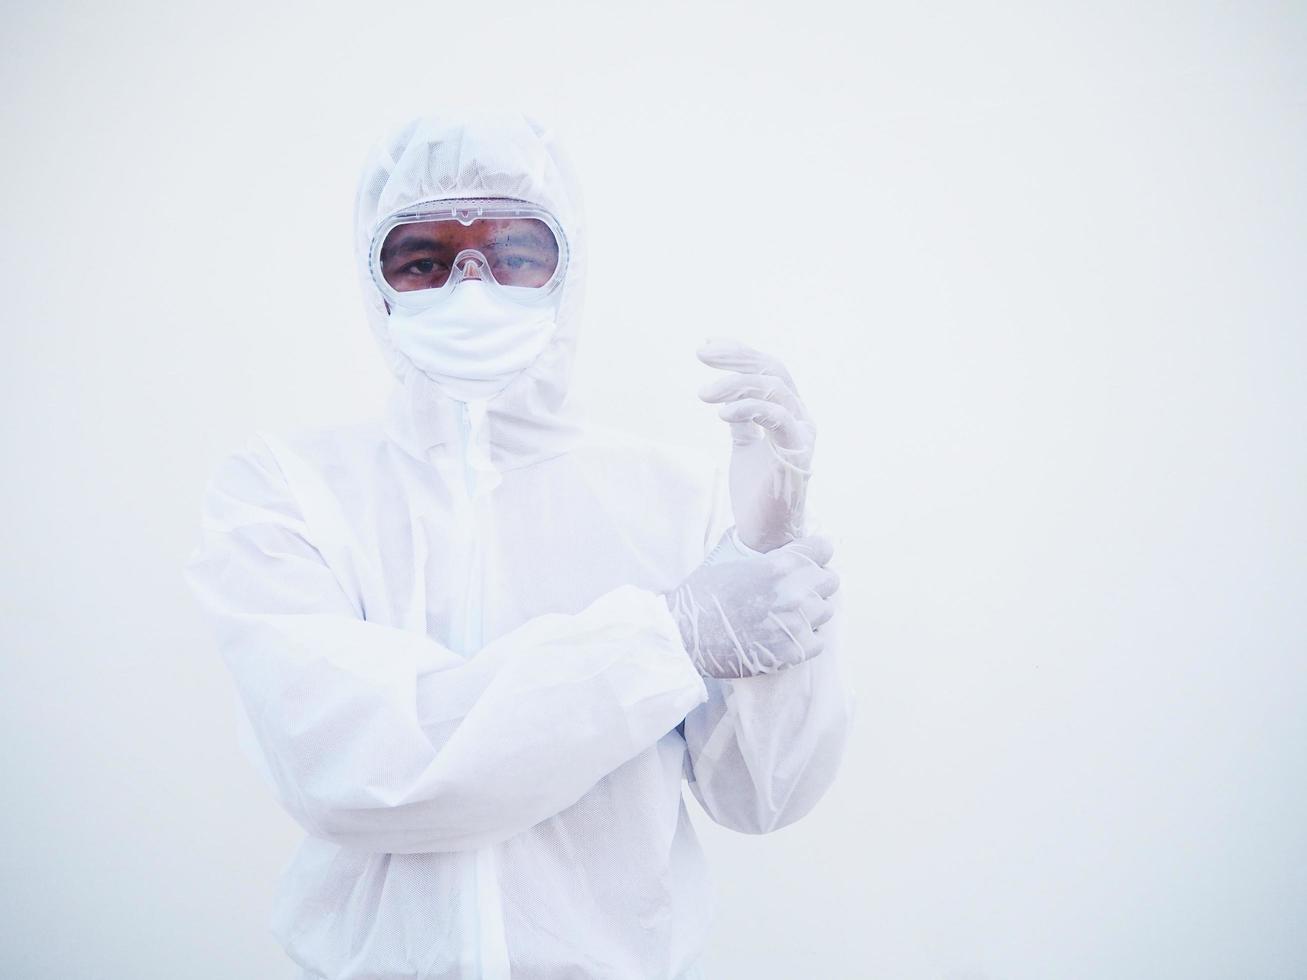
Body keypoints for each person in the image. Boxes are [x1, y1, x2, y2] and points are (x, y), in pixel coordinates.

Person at [184, 110, 853, 980]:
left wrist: (768, 564)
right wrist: (667, 637)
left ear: (565, 272)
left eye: (514, 253)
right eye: (423, 258)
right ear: (373, 280)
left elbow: (763, 799)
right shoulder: (288, 493)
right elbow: (359, 769)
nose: (472, 283)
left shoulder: (673, 496)